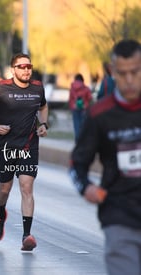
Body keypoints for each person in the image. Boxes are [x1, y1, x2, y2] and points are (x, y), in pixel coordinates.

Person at [70, 39, 141, 275]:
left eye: (135, 72)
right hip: (120, 216)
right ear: (112, 72)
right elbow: (76, 163)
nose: (129, 80)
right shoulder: (100, 115)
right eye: (122, 73)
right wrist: (86, 187)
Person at [0, 53, 49, 251]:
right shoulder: (1, 87)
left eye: (29, 66)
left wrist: (43, 124)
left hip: (29, 146)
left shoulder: (37, 87)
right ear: (13, 69)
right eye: (22, 66)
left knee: (27, 187)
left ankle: (27, 235)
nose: (26, 70)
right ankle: (1, 213)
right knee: (5, 189)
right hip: (6, 147)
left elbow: (43, 107)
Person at [68, 73, 93, 143]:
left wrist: (72, 107)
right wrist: (86, 105)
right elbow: (90, 98)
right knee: (83, 126)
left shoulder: (72, 88)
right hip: (84, 109)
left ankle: (77, 141)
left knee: (76, 126)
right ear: (82, 80)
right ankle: (83, 141)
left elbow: (70, 99)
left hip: (75, 108)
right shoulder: (86, 88)